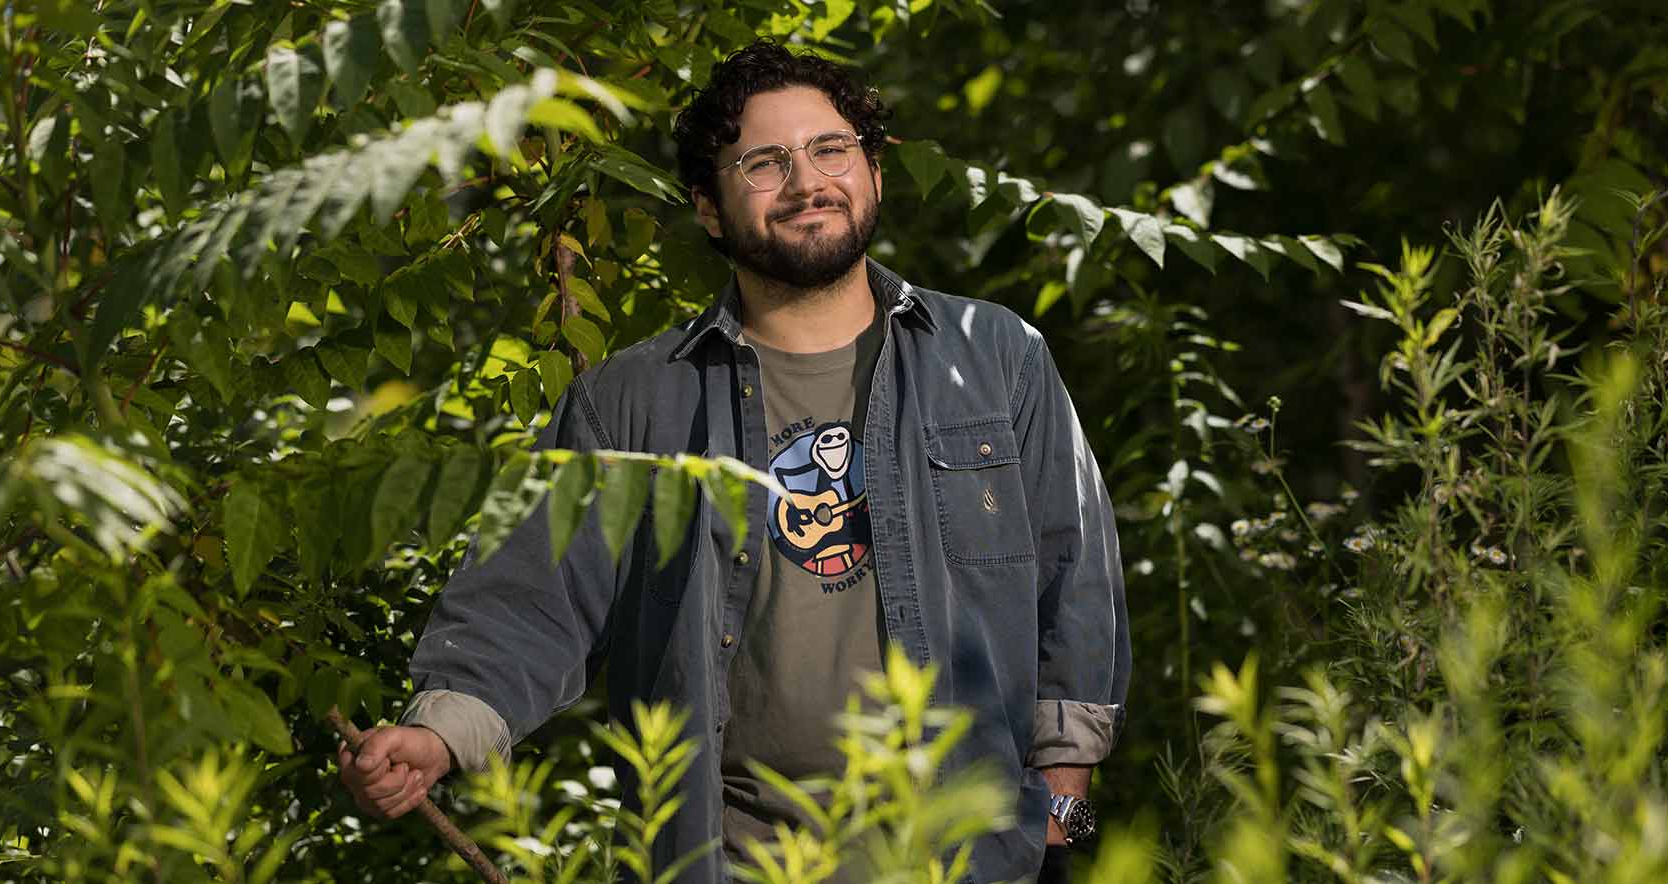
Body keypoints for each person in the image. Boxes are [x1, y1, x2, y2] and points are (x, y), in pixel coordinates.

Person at [338, 39, 1129, 884]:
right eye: (764, 163)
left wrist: (1062, 793)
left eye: (831, 150)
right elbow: (532, 598)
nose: (806, 182)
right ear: (710, 208)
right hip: (729, 859)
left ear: (873, 175)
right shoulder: (630, 404)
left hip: (964, 856)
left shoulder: (996, 357)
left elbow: (1072, 573)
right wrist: (436, 735)